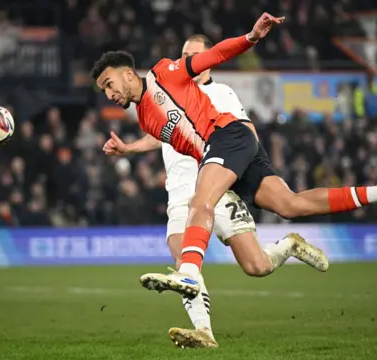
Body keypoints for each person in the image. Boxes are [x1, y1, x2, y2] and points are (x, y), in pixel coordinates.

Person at [91, 13, 377, 307]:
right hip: (228, 152)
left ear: (129, 74)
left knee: (200, 200)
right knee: (291, 205)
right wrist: (130, 149)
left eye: (109, 84)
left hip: (227, 139)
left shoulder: (166, 72)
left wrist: (251, 37)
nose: (108, 94)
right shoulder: (146, 118)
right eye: (103, 90)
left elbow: (213, 55)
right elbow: (172, 135)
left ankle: (188, 274)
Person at [109, 34, 327, 349]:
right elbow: (160, 136)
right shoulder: (167, 94)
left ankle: (288, 246)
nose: (190, 59)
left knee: (256, 266)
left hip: (216, 185)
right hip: (179, 192)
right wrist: (129, 148)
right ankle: (204, 332)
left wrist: (255, 175)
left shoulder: (219, 93)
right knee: (183, 261)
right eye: (185, 53)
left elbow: (240, 131)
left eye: (196, 54)